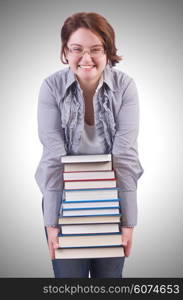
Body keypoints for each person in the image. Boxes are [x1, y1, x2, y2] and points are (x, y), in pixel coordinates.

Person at [35, 12, 144, 278]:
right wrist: (52, 223)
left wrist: (128, 222)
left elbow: (125, 156)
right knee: (69, 281)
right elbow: (53, 156)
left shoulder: (125, 87)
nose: (86, 59)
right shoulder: (51, 87)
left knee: (109, 281)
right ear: (65, 51)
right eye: (77, 49)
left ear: (108, 50)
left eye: (96, 49)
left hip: (111, 200)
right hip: (64, 199)